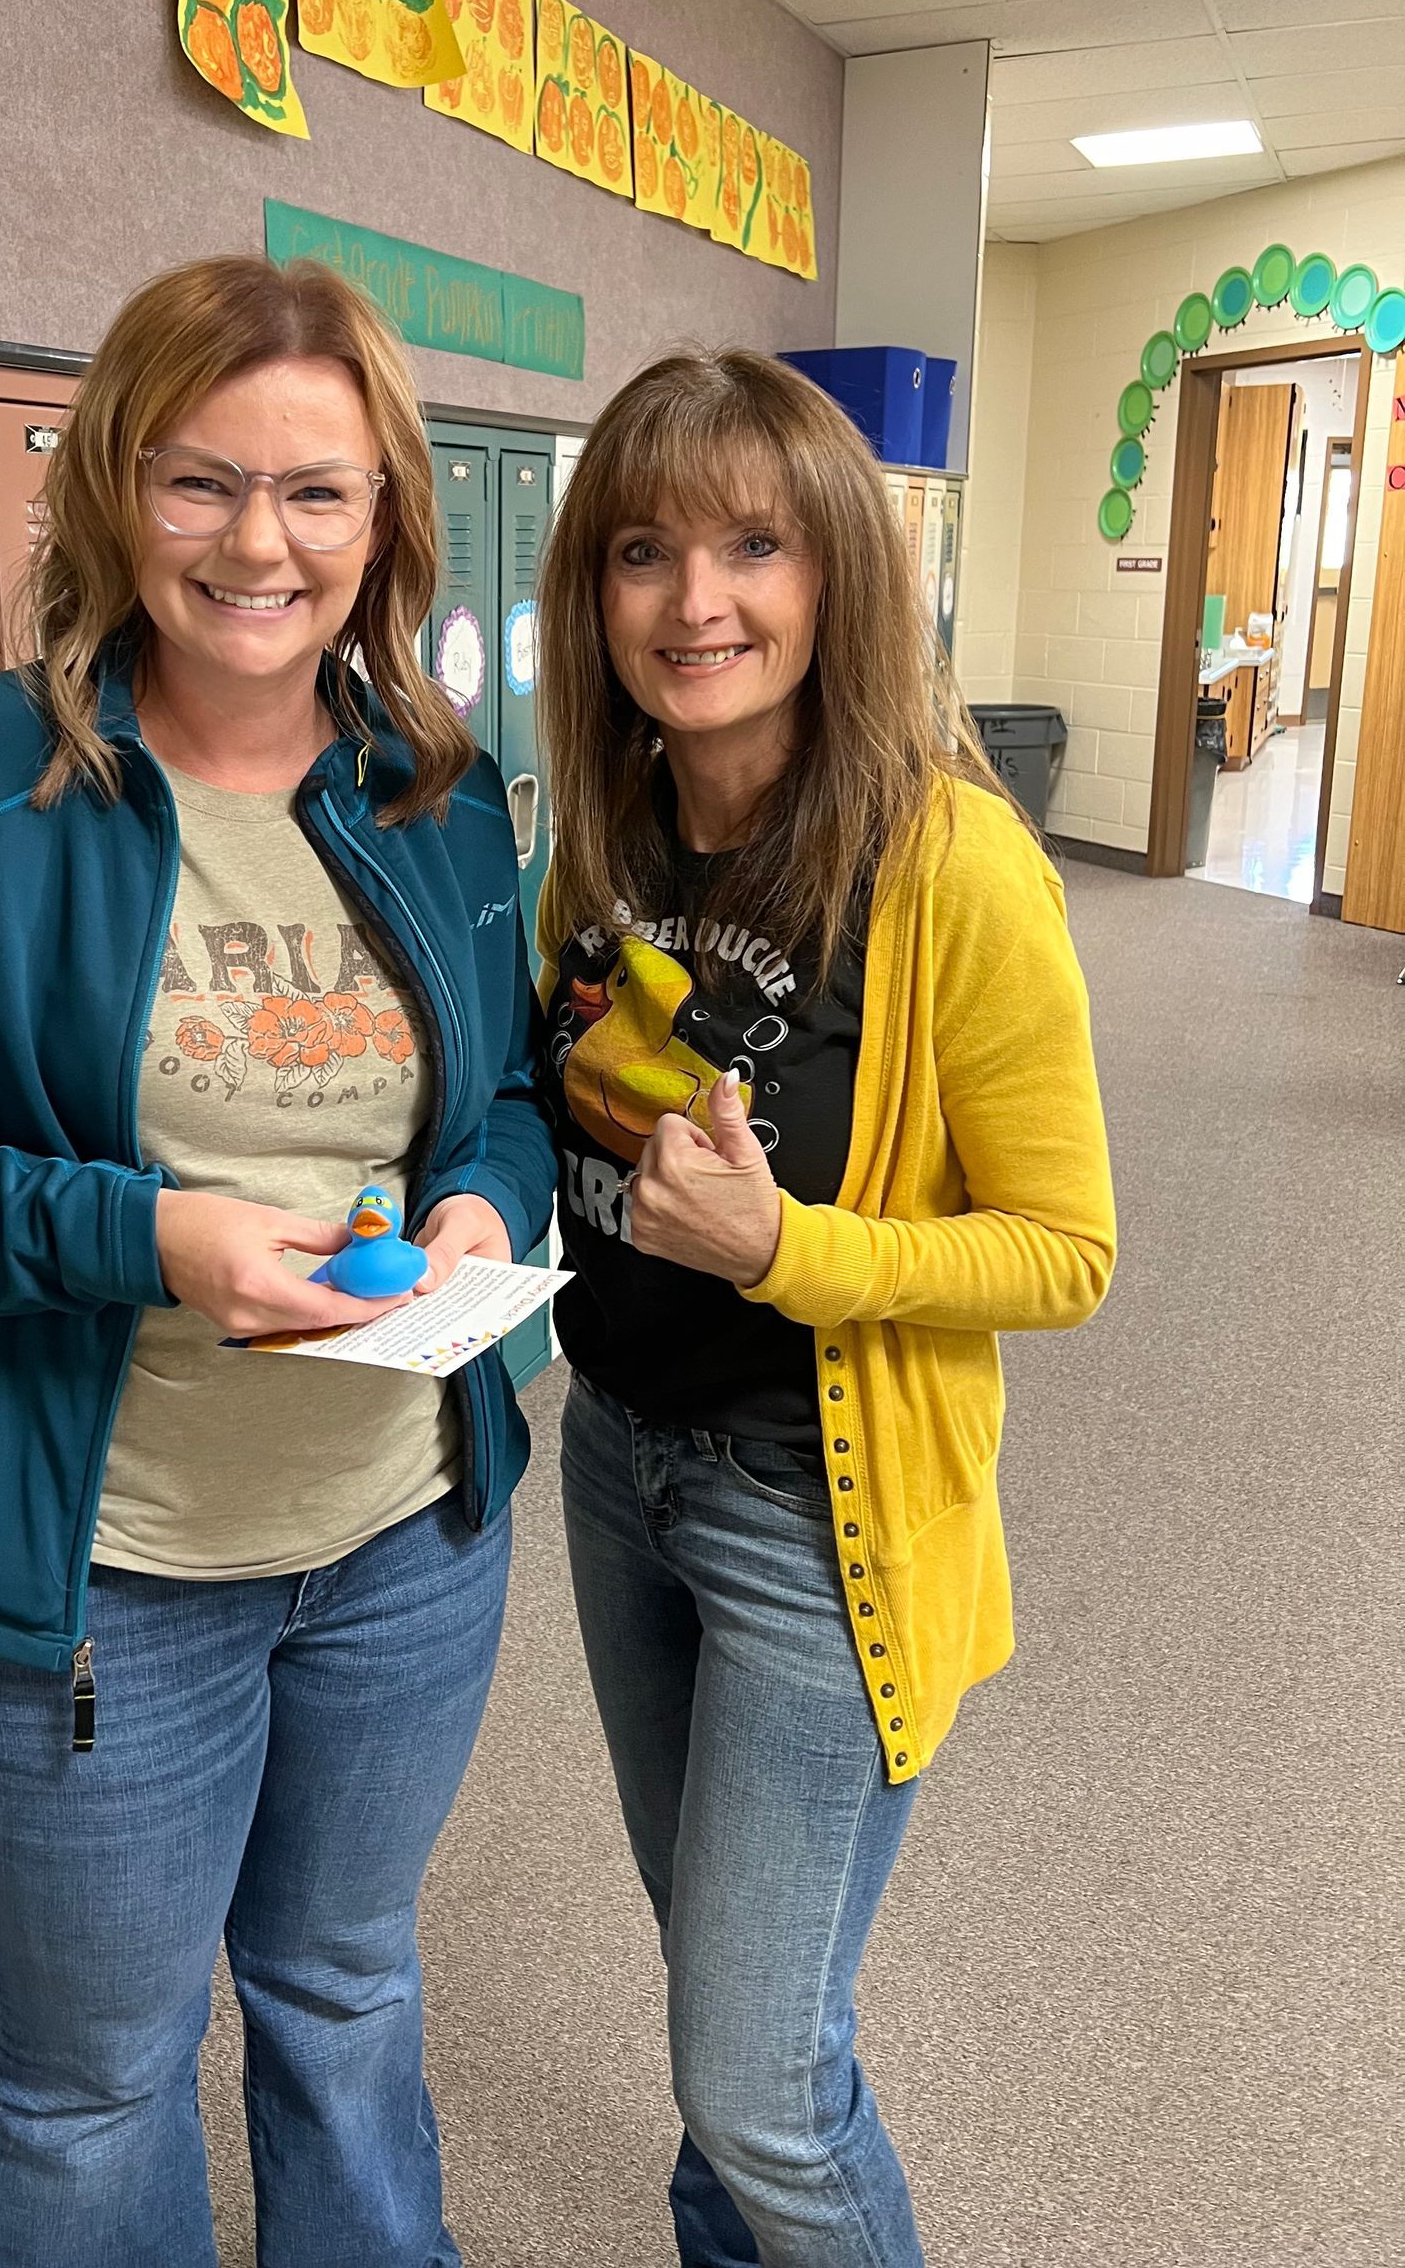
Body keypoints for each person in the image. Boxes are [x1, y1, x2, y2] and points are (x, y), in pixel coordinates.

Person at [0, 255, 555, 2268]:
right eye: (201, 483)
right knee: (99, 2067)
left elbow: (510, 1097)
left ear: (383, 522)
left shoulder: (433, 794)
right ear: (116, 490)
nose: (258, 542)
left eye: (317, 492)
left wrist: (481, 1203)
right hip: (101, 1579)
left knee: (348, 1992)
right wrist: (148, 1236)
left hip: (398, 1546)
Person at [534, 349, 1116, 2268]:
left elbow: (1065, 1248)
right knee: (727, 2007)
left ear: (836, 572)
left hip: (817, 1522)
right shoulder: (607, 834)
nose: (696, 603)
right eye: (643, 552)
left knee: (760, 2086)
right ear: (591, 595)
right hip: (620, 1468)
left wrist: (799, 1255)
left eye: (753, 545)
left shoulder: (950, 860)